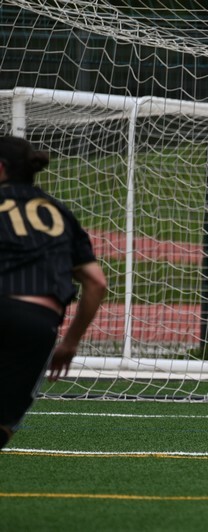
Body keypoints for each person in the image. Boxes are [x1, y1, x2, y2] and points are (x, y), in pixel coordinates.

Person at [0, 136, 107, 449]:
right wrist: (70, 342)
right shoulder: (59, 212)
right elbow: (97, 283)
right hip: (37, 325)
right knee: (4, 422)